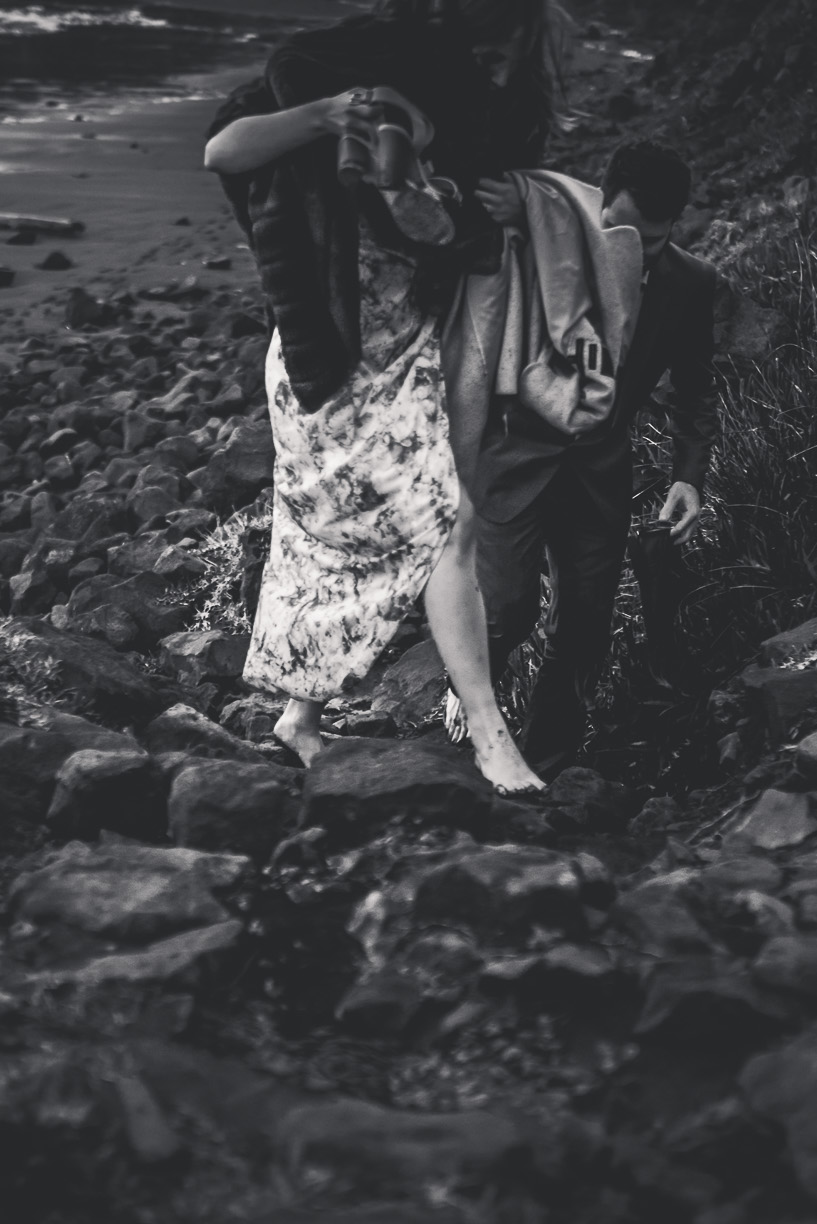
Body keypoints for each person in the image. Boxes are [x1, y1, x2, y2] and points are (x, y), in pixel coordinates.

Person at [204, 0, 572, 794]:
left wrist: (489, 199)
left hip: (416, 345)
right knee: (333, 539)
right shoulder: (336, 86)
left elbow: (466, 224)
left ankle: (473, 733)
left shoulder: (468, 109)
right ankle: (426, 731)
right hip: (325, 355)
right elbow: (223, 151)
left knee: (448, 521)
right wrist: (328, 115)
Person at [458, 138, 720, 776]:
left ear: (675, 226)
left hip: (598, 475)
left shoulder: (692, 286)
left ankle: (545, 765)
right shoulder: (531, 258)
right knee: (507, 610)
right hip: (508, 462)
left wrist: (688, 478)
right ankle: (468, 706)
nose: (628, 251)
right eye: (616, 231)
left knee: (582, 628)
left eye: (650, 241)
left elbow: (694, 392)